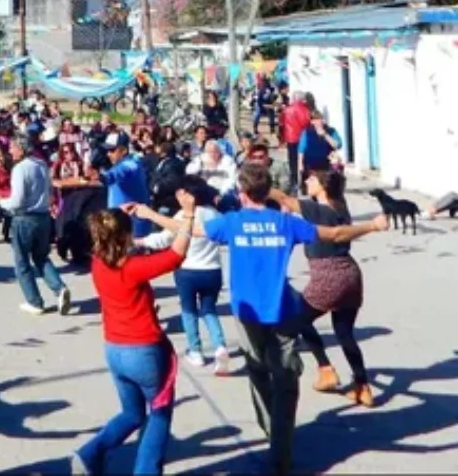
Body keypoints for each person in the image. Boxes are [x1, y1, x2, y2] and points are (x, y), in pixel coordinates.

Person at [131, 163, 389, 475]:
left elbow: (190, 231)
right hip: (279, 309)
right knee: (285, 378)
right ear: (268, 192)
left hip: (245, 311)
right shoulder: (285, 223)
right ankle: (281, 447)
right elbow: (335, 233)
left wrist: (151, 215)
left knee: (257, 371)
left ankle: (270, 428)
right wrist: (372, 226)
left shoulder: (232, 222)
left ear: (242, 193)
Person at [71, 206, 191, 475]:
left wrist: (116, 220)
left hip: (115, 349)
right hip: (145, 351)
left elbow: (118, 248)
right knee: (159, 415)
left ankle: (89, 455)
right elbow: (176, 255)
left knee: (132, 414)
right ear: (126, 235)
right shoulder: (134, 268)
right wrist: (189, 215)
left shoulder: (98, 263)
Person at [270, 172, 374, 407]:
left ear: (323, 186)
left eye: (312, 180)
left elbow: (285, 200)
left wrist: (260, 185)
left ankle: (325, 369)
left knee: (297, 320)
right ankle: (362, 386)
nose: (306, 182)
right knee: (344, 333)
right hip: (351, 273)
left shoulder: (320, 210)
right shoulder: (340, 206)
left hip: (328, 275)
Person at [137, 178, 230, 373]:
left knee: (188, 310)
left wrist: (142, 241)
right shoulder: (215, 215)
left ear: (191, 196)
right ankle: (220, 345)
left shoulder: (183, 216)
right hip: (212, 269)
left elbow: (165, 238)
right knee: (209, 310)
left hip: (187, 269)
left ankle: (195, 350)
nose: (179, 196)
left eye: (182, 193)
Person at [0, 137, 72, 316]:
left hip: (24, 218)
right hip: (43, 216)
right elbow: (49, 191)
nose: (10, 152)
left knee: (22, 262)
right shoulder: (41, 164)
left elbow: (18, 200)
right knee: (41, 257)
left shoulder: (20, 169)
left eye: (13, 148)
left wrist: (1, 202)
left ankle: (34, 301)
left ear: (21, 150)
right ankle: (59, 288)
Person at [99, 132, 152, 236]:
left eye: (112, 150)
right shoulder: (126, 162)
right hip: (121, 223)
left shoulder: (131, 165)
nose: (108, 154)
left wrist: (102, 177)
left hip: (132, 227)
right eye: (107, 150)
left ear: (123, 150)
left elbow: (117, 174)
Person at [297, 111, 343, 180]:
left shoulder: (331, 131)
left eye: (321, 119)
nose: (319, 121)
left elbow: (338, 145)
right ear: (312, 122)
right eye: (316, 119)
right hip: (310, 167)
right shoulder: (307, 133)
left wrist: (325, 135)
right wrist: (300, 164)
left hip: (326, 166)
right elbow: (301, 150)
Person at [280, 92, 312, 190]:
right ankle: (304, 183)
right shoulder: (306, 110)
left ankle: (294, 182)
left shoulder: (287, 110)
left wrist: (282, 138)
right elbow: (307, 123)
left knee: (292, 161)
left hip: (290, 138)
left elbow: (282, 124)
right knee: (304, 161)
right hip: (303, 138)